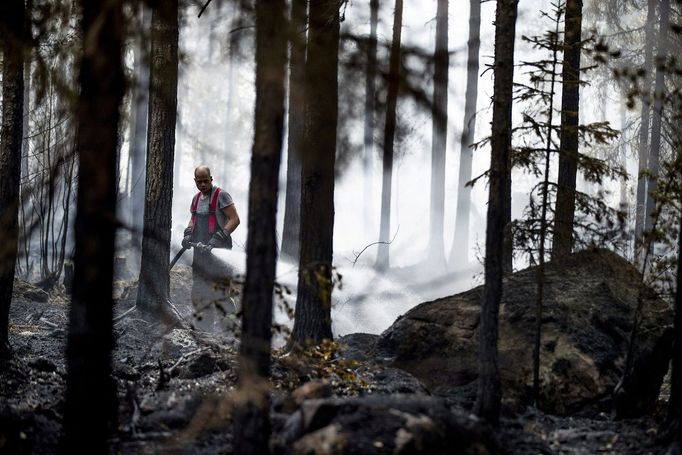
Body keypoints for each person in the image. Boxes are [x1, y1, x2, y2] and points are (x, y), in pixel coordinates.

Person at [182, 165, 240, 331]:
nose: (202, 185)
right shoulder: (195, 199)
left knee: (221, 293)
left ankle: (230, 331)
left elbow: (234, 219)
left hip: (219, 255)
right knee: (199, 292)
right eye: (199, 182)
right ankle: (203, 330)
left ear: (211, 179)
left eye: (205, 181)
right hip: (200, 256)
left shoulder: (221, 196)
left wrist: (219, 237)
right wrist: (188, 234)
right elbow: (193, 220)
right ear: (195, 181)